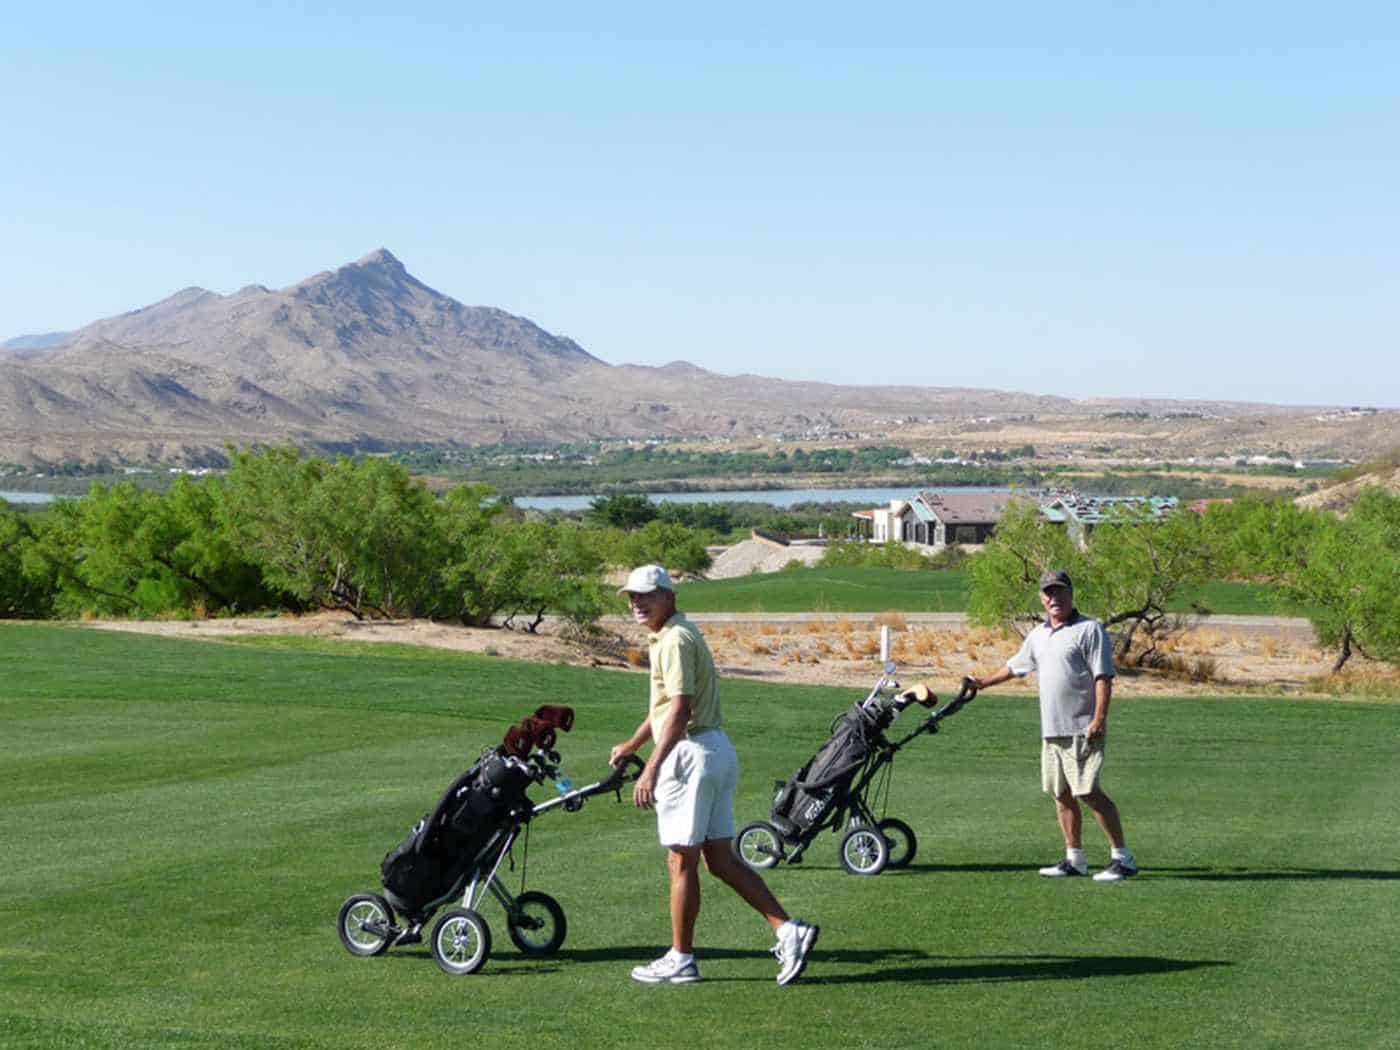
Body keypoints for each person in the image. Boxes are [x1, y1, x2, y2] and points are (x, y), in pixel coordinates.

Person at [609, 564, 819, 985]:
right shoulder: (677, 633)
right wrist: (634, 744)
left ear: (669, 596)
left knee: (679, 860)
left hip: (691, 756)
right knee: (719, 859)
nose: (637, 602)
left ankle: (681, 958)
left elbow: (681, 709)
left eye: (645, 595)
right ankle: (788, 930)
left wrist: (650, 769)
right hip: (715, 750)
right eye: (632, 596)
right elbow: (666, 706)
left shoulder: (674, 640)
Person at [964, 570, 1138, 882]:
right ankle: (1075, 859)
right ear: (1042, 599)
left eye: (1060, 592)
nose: (1054, 598)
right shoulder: (1038, 635)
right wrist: (983, 683)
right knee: (1061, 795)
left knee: (1089, 792)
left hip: (1082, 728)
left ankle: (1123, 858)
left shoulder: (1089, 629)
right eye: (1048, 593)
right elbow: (1015, 666)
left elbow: (1103, 677)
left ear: (1071, 594)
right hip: (1052, 729)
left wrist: (1099, 719)